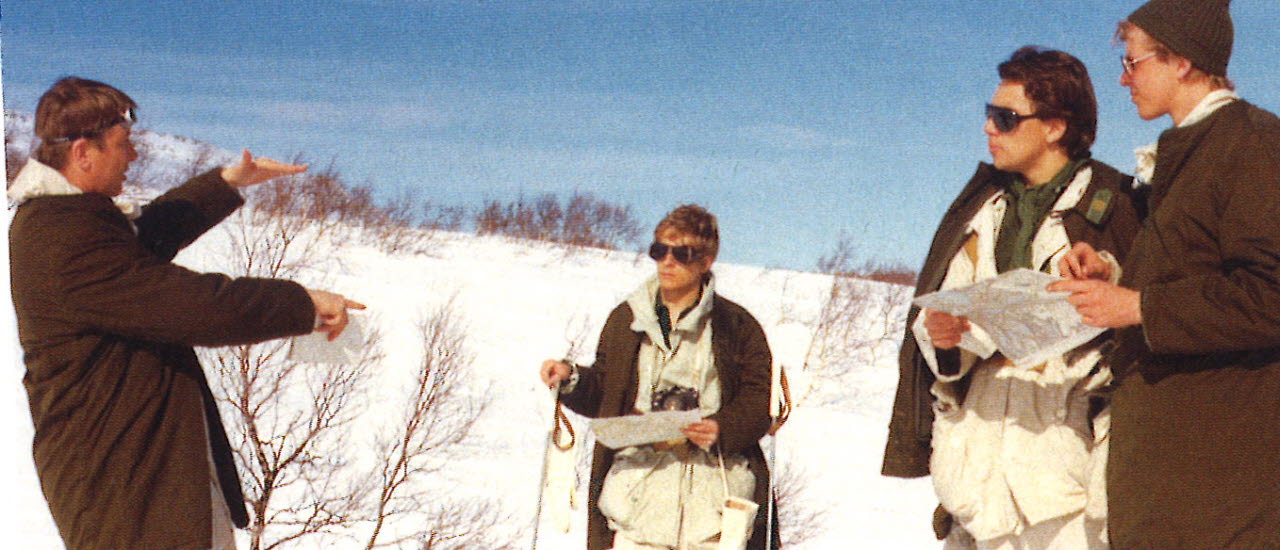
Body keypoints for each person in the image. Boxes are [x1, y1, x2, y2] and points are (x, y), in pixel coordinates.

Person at [7, 76, 365, 550]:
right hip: (126, 496)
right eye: (123, 144)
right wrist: (301, 303)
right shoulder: (61, 239)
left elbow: (146, 236)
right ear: (82, 153)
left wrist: (226, 182)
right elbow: (198, 307)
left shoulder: (72, 220)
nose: (133, 156)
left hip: (146, 478)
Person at [881, 47, 1142, 549]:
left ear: (1054, 127)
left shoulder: (1119, 204)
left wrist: (1110, 276)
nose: (988, 129)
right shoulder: (979, 209)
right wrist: (945, 338)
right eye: (989, 115)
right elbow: (944, 329)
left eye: (1005, 118)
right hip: (975, 475)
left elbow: (1155, 311)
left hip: (1071, 480)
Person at [1050, 1, 1280, 547]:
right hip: (1172, 472)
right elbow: (1193, 267)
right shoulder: (1185, 152)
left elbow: (1271, 293)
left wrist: (1138, 308)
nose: (1124, 78)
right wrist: (1112, 271)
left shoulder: (1251, 143)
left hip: (1223, 484)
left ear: (1181, 61)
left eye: (1133, 63)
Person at [539, 205, 774, 550]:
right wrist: (570, 379)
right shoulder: (625, 319)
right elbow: (606, 389)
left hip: (713, 511)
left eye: (682, 253)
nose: (667, 261)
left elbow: (758, 403)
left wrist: (721, 427)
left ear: (707, 261)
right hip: (636, 506)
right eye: (659, 250)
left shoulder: (738, 326)